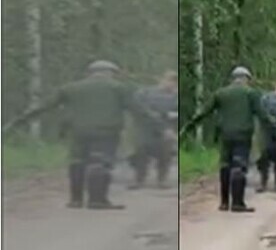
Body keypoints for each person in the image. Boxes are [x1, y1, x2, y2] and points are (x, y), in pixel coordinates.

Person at [1, 60, 167, 209]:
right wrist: (161, 127)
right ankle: (97, 200)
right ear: (111, 73)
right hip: (106, 132)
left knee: (77, 162)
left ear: (90, 73)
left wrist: (17, 122)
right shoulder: (119, 88)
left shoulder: (71, 88)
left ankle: (75, 200)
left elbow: (44, 106)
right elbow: (139, 111)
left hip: (78, 132)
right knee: (101, 163)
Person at [180, 66, 276, 213]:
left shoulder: (221, 93)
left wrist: (188, 127)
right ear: (246, 79)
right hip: (243, 135)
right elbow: (263, 116)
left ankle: (223, 202)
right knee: (239, 167)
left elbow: (204, 112)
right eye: (248, 79)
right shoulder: (251, 94)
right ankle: (237, 203)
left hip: (225, 135)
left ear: (233, 78)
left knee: (225, 166)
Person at [129, 70, 178, 189]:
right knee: (141, 153)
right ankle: (139, 180)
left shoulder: (176, 97)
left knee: (165, 155)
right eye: (169, 80)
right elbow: (138, 107)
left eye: (174, 82)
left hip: (166, 130)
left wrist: (172, 117)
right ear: (162, 79)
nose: (171, 84)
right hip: (146, 128)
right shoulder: (146, 92)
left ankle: (162, 180)